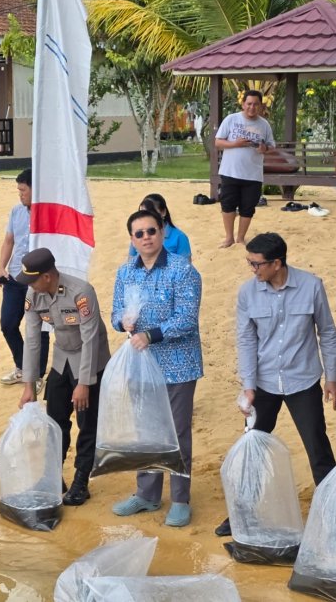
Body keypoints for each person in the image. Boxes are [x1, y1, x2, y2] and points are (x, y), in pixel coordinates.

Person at [215, 232, 336, 537]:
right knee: (252, 449)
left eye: (256, 264)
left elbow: (328, 332)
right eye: (250, 263)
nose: (252, 270)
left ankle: (334, 515)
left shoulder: (312, 286)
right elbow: (245, 339)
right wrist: (248, 385)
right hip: (264, 383)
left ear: (277, 263)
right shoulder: (247, 293)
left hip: (303, 380)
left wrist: (332, 377)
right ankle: (241, 513)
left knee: (318, 448)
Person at [110, 209, 203, 526]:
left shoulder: (182, 270)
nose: (146, 238)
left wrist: (152, 334)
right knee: (146, 430)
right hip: (141, 364)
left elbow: (187, 319)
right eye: (139, 234)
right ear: (132, 239)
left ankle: (180, 499)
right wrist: (123, 322)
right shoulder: (125, 272)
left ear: (163, 232)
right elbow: (115, 314)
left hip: (178, 364)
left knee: (176, 432)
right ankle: (147, 495)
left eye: (152, 231)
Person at [18, 247, 111, 506]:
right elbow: (33, 340)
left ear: (47, 276)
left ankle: (81, 480)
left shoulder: (81, 293)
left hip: (90, 360)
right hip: (61, 359)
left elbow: (91, 339)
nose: (29, 285)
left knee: (87, 423)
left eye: (32, 279)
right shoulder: (34, 294)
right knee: (55, 420)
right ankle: (52, 476)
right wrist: (29, 385)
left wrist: (84, 383)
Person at [0, 168, 49, 387]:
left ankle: (37, 375)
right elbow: (9, 241)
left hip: (39, 281)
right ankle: (22, 367)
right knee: (8, 324)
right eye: (18, 190)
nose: (20, 194)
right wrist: (1, 267)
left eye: (23, 190)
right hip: (16, 277)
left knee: (39, 326)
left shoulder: (47, 214)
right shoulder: (16, 212)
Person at [215, 89, 275, 248]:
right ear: (243, 104)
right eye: (249, 104)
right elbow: (218, 143)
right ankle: (229, 237)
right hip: (230, 171)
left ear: (261, 106)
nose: (252, 107)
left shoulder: (264, 124)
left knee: (248, 207)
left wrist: (265, 149)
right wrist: (235, 144)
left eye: (256, 104)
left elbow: (271, 146)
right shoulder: (231, 119)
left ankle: (240, 238)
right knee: (227, 205)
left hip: (253, 174)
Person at [127, 193, 191, 260]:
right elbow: (130, 261)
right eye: (142, 213)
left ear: (163, 212)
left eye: (150, 213)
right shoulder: (138, 234)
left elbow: (186, 266)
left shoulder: (179, 237)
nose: (145, 218)